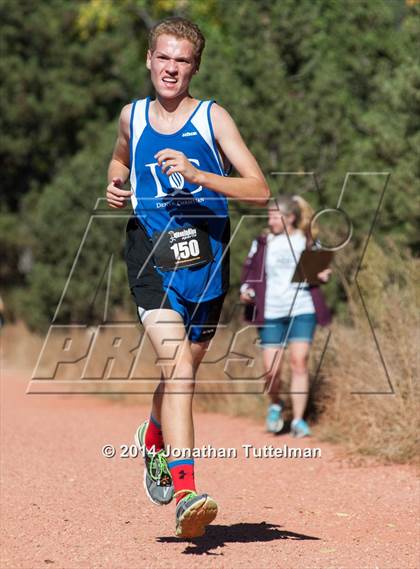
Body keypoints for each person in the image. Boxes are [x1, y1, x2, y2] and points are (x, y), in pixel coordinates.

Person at [106, 17, 269, 538]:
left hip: (206, 261)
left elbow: (259, 189)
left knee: (184, 369)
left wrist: (199, 176)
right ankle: (186, 494)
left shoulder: (211, 119)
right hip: (149, 255)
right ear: (149, 60)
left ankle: (153, 436)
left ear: (194, 67)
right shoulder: (132, 116)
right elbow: (119, 159)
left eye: (182, 60)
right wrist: (116, 182)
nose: (171, 68)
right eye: (163, 57)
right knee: (179, 371)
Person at [240, 195, 331, 438]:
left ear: (289, 218)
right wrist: (246, 291)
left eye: (274, 215)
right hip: (271, 310)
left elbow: (322, 270)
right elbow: (249, 271)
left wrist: (323, 274)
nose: (269, 220)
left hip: (302, 309)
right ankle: (275, 404)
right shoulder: (263, 242)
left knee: (299, 362)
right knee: (271, 370)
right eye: (268, 215)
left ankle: (299, 421)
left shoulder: (307, 241)